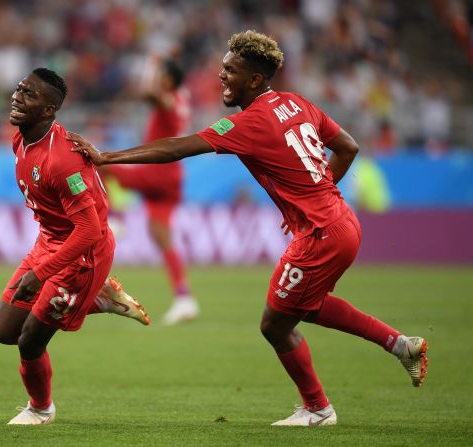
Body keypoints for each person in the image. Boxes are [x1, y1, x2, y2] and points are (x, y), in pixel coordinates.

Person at [67, 30, 428, 427]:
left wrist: (108, 157)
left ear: (255, 80)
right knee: (306, 307)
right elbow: (348, 147)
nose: (221, 77)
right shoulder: (297, 103)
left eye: (230, 70)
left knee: (275, 324)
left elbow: (178, 148)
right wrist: (312, 192)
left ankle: (319, 408)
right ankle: (399, 345)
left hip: (322, 233)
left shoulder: (250, 122)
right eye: (223, 68)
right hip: (341, 221)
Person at [0, 68, 151, 426]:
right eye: (19, 89)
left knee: (30, 340)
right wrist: (42, 262)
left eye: (29, 95)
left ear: (49, 111)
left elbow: (90, 230)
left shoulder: (62, 160)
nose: (17, 97)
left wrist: (42, 272)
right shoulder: (21, 139)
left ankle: (41, 408)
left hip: (84, 253)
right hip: (50, 242)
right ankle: (98, 299)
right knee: (5, 331)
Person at [106, 58, 198, 325]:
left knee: (100, 161)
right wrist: (164, 64)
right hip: (172, 178)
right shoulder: (183, 98)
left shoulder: (169, 100)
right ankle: (184, 298)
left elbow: (150, 95)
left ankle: (116, 218)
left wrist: (150, 67)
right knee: (161, 235)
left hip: (156, 173)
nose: (158, 79)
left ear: (168, 81)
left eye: (162, 76)